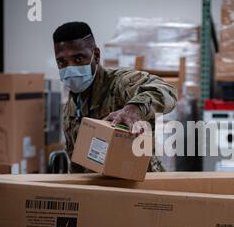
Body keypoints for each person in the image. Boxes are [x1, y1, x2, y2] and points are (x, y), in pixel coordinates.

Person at [53, 21, 177, 173]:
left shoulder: (120, 83)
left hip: (141, 185)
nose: (70, 68)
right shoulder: (70, 109)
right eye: (62, 62)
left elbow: (167, 91)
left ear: (96, 56)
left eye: (78, 59)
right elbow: (77, 164)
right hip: (101, 191)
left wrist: (134, 109)